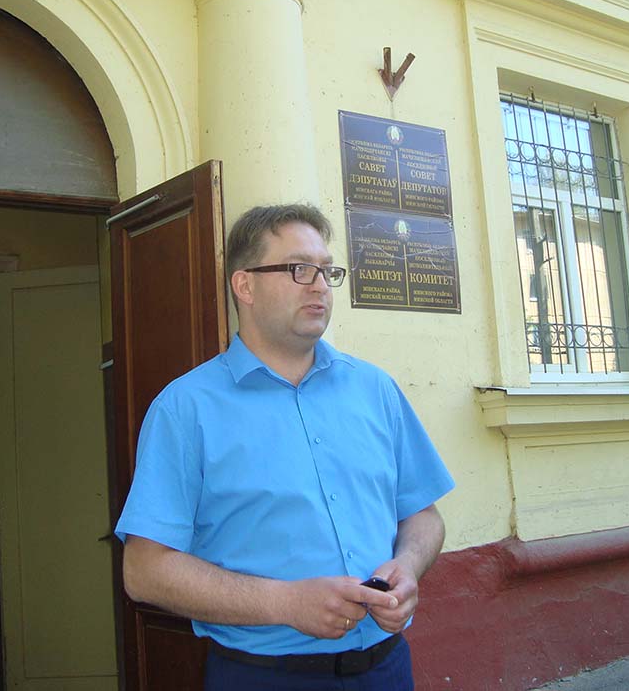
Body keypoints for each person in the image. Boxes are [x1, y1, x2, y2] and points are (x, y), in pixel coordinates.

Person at [115, 203, 455, 690]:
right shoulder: (185, 408)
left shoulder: (376, 389)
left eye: (326, 271)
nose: (319, 285)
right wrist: (285, 603)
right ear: (244, 285)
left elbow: (423, 516)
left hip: (386, 668)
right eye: (299, 269)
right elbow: (145, 571)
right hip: (262, 676)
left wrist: (407, 567)